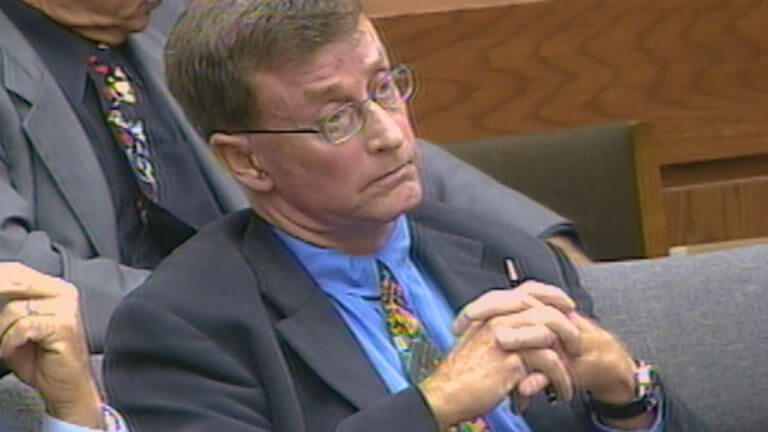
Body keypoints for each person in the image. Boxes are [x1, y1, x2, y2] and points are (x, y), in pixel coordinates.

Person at [96, 1, 706, 431]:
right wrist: (434, 404)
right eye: (336, 119)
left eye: (385, 89)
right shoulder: (184, 329)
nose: (391, 134)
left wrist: (626, 392)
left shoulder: (507, 256)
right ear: (248, 161)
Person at [0, 0, 581, 360]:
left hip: (319, 312)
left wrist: (537, 241)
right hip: (131, 362)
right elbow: (16, 275)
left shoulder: (179, 17)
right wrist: (250, 306)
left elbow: (353, 129)